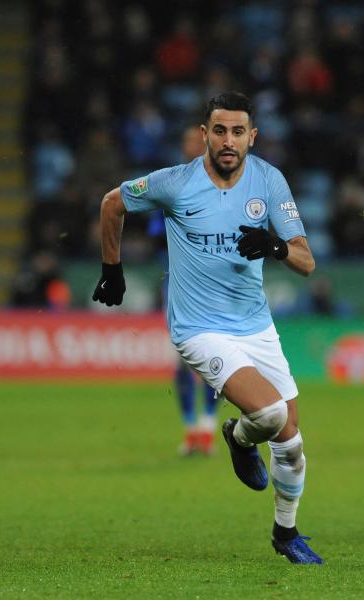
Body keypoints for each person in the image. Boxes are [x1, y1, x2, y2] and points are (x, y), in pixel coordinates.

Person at [93, 92, 323, 564]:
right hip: (198, 328)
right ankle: (239, 438)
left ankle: (286, 534)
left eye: (238, 132)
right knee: (273, 415)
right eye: (219, 130)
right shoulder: (175, 183)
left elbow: (306, 261)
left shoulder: (269, 181)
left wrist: (275, 247)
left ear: (252, 137)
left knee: (293, 442)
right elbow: (112, 204)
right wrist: (111, 269)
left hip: (256, 326)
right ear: (204, 134)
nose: (228, 141)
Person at [148, 124, 218, 456]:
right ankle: (191, 428)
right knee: (183, 360)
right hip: (178, 282)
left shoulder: (223, 181)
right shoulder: (171, 183)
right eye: (186, 140)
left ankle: (208, 426)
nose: (191, 145)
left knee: (216, 358)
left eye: (195, 140)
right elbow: (153, 228)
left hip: (214, 283)